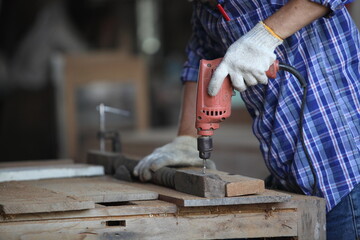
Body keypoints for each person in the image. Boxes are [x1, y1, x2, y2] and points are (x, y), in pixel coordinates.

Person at [134, 0, 360, 239]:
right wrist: (187, 139)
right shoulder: (206, 9)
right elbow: (200, 58)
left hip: (346, 172)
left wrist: (265, 36)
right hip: (291, 175)